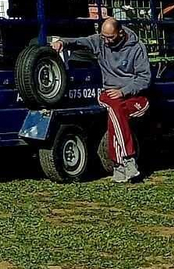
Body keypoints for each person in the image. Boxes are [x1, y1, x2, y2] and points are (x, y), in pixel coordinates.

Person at [51, 17, 151, 183]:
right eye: (103, 36)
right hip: (109, 92)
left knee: (116, 113)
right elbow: (79, 42)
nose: (106, 41)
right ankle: (128, 159)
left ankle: (119, 164)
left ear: (120, 32)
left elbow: (144, 78)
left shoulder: (137, 48)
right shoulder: (99, 41)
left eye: (110, 37)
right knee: (114, 108)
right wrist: (62, 42)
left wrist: (124, 91)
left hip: (131, 93)